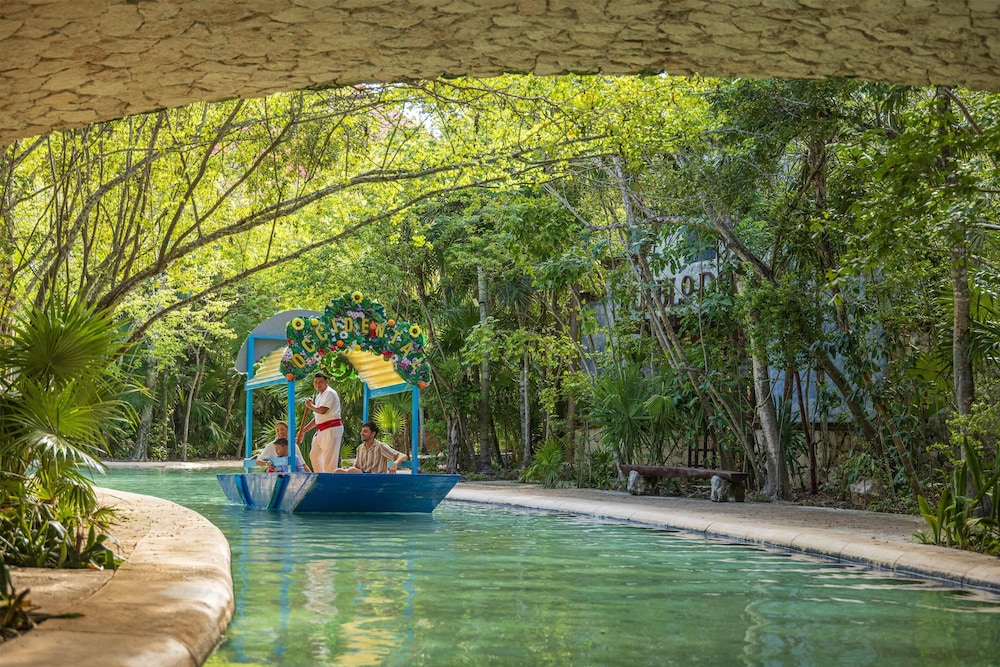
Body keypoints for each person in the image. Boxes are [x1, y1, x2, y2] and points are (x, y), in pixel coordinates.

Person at [296, 372, 343, 473]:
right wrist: (304, 430)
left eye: (320, 382)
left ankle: (329, 479)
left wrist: (310, 406)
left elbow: (322, 410)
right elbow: (317, 418)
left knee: (329, 460)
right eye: (316, 382)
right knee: (314, 456)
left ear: (326, 382)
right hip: (321, 429)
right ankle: (320, 477)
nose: (318, 385)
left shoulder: (330, 393)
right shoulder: (319, 396)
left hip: (331, 428)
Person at [335, 422, 407, 474]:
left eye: (365, 431)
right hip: (361, 479)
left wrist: (395, 464)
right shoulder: (360, 448)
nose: (361, 433)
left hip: (376, 480)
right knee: (338, 471)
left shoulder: (380, 446)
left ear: (373, 434)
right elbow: (355, 467)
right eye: (362, 431)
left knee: (352, 471)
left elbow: (403, 456)